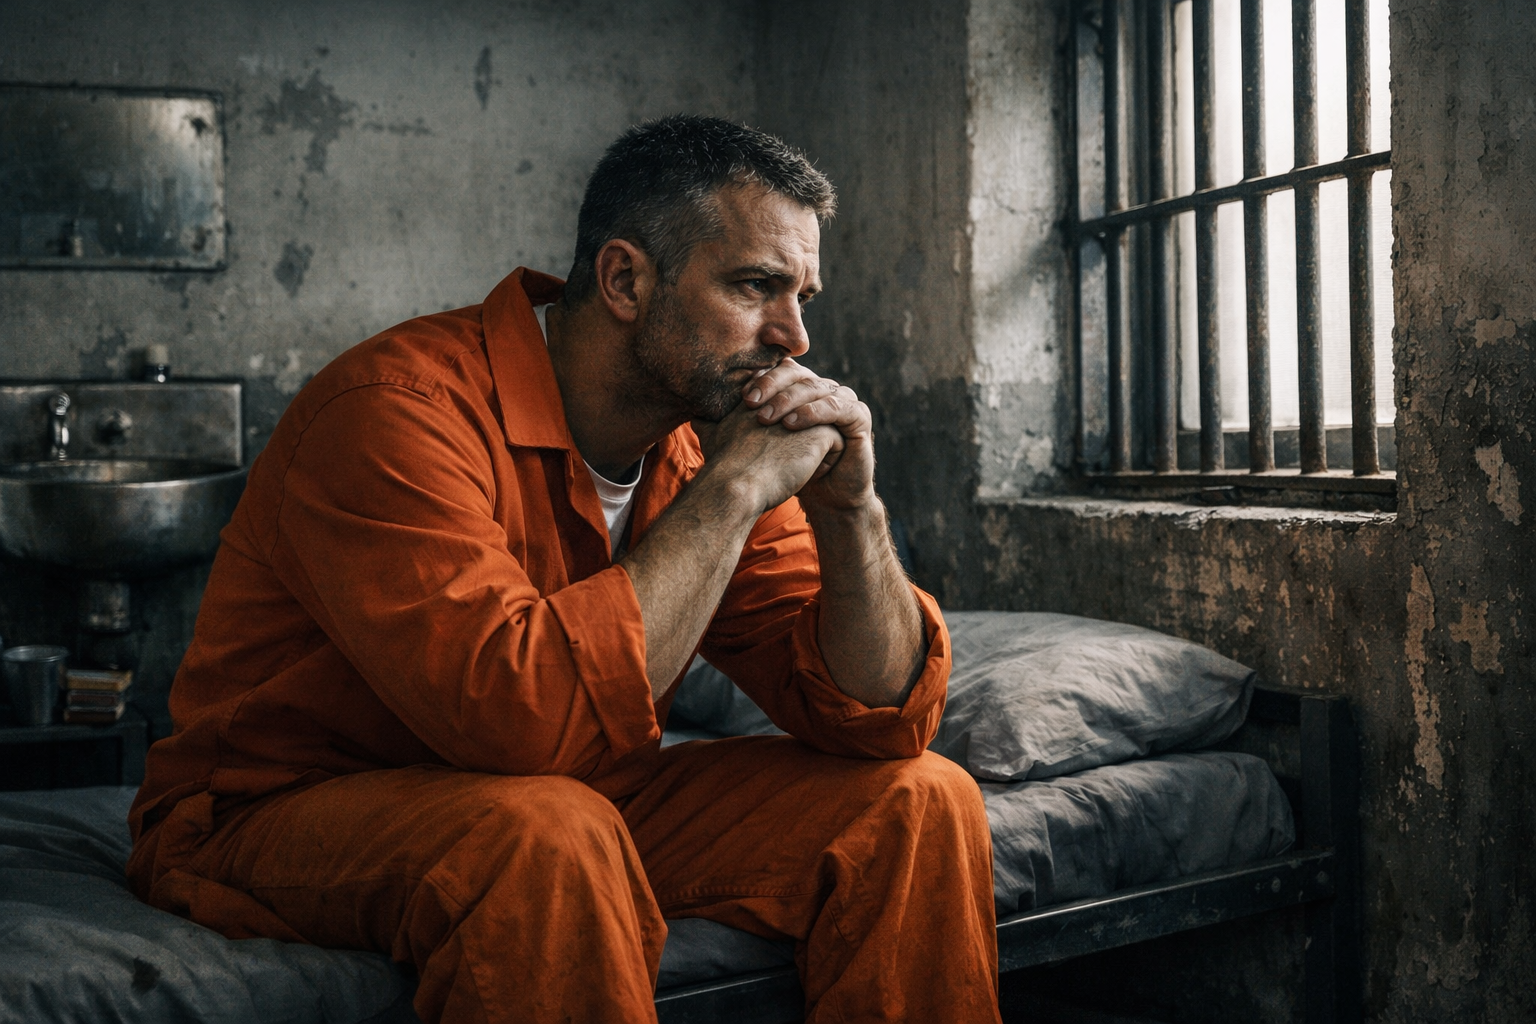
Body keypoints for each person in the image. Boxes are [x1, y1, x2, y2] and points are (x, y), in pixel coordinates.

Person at [127, 115, 1002, 1024]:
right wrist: (732, 495)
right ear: (625, 280)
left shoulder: (702, 448)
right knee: (545, 833)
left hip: (580, 793)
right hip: (278, 808)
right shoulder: (393, 412)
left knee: (920, 798)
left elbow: (880, 714)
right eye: (756, 286)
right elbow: (520, 727)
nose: (795, 337)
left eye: (803, 296)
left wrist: (852, 512)